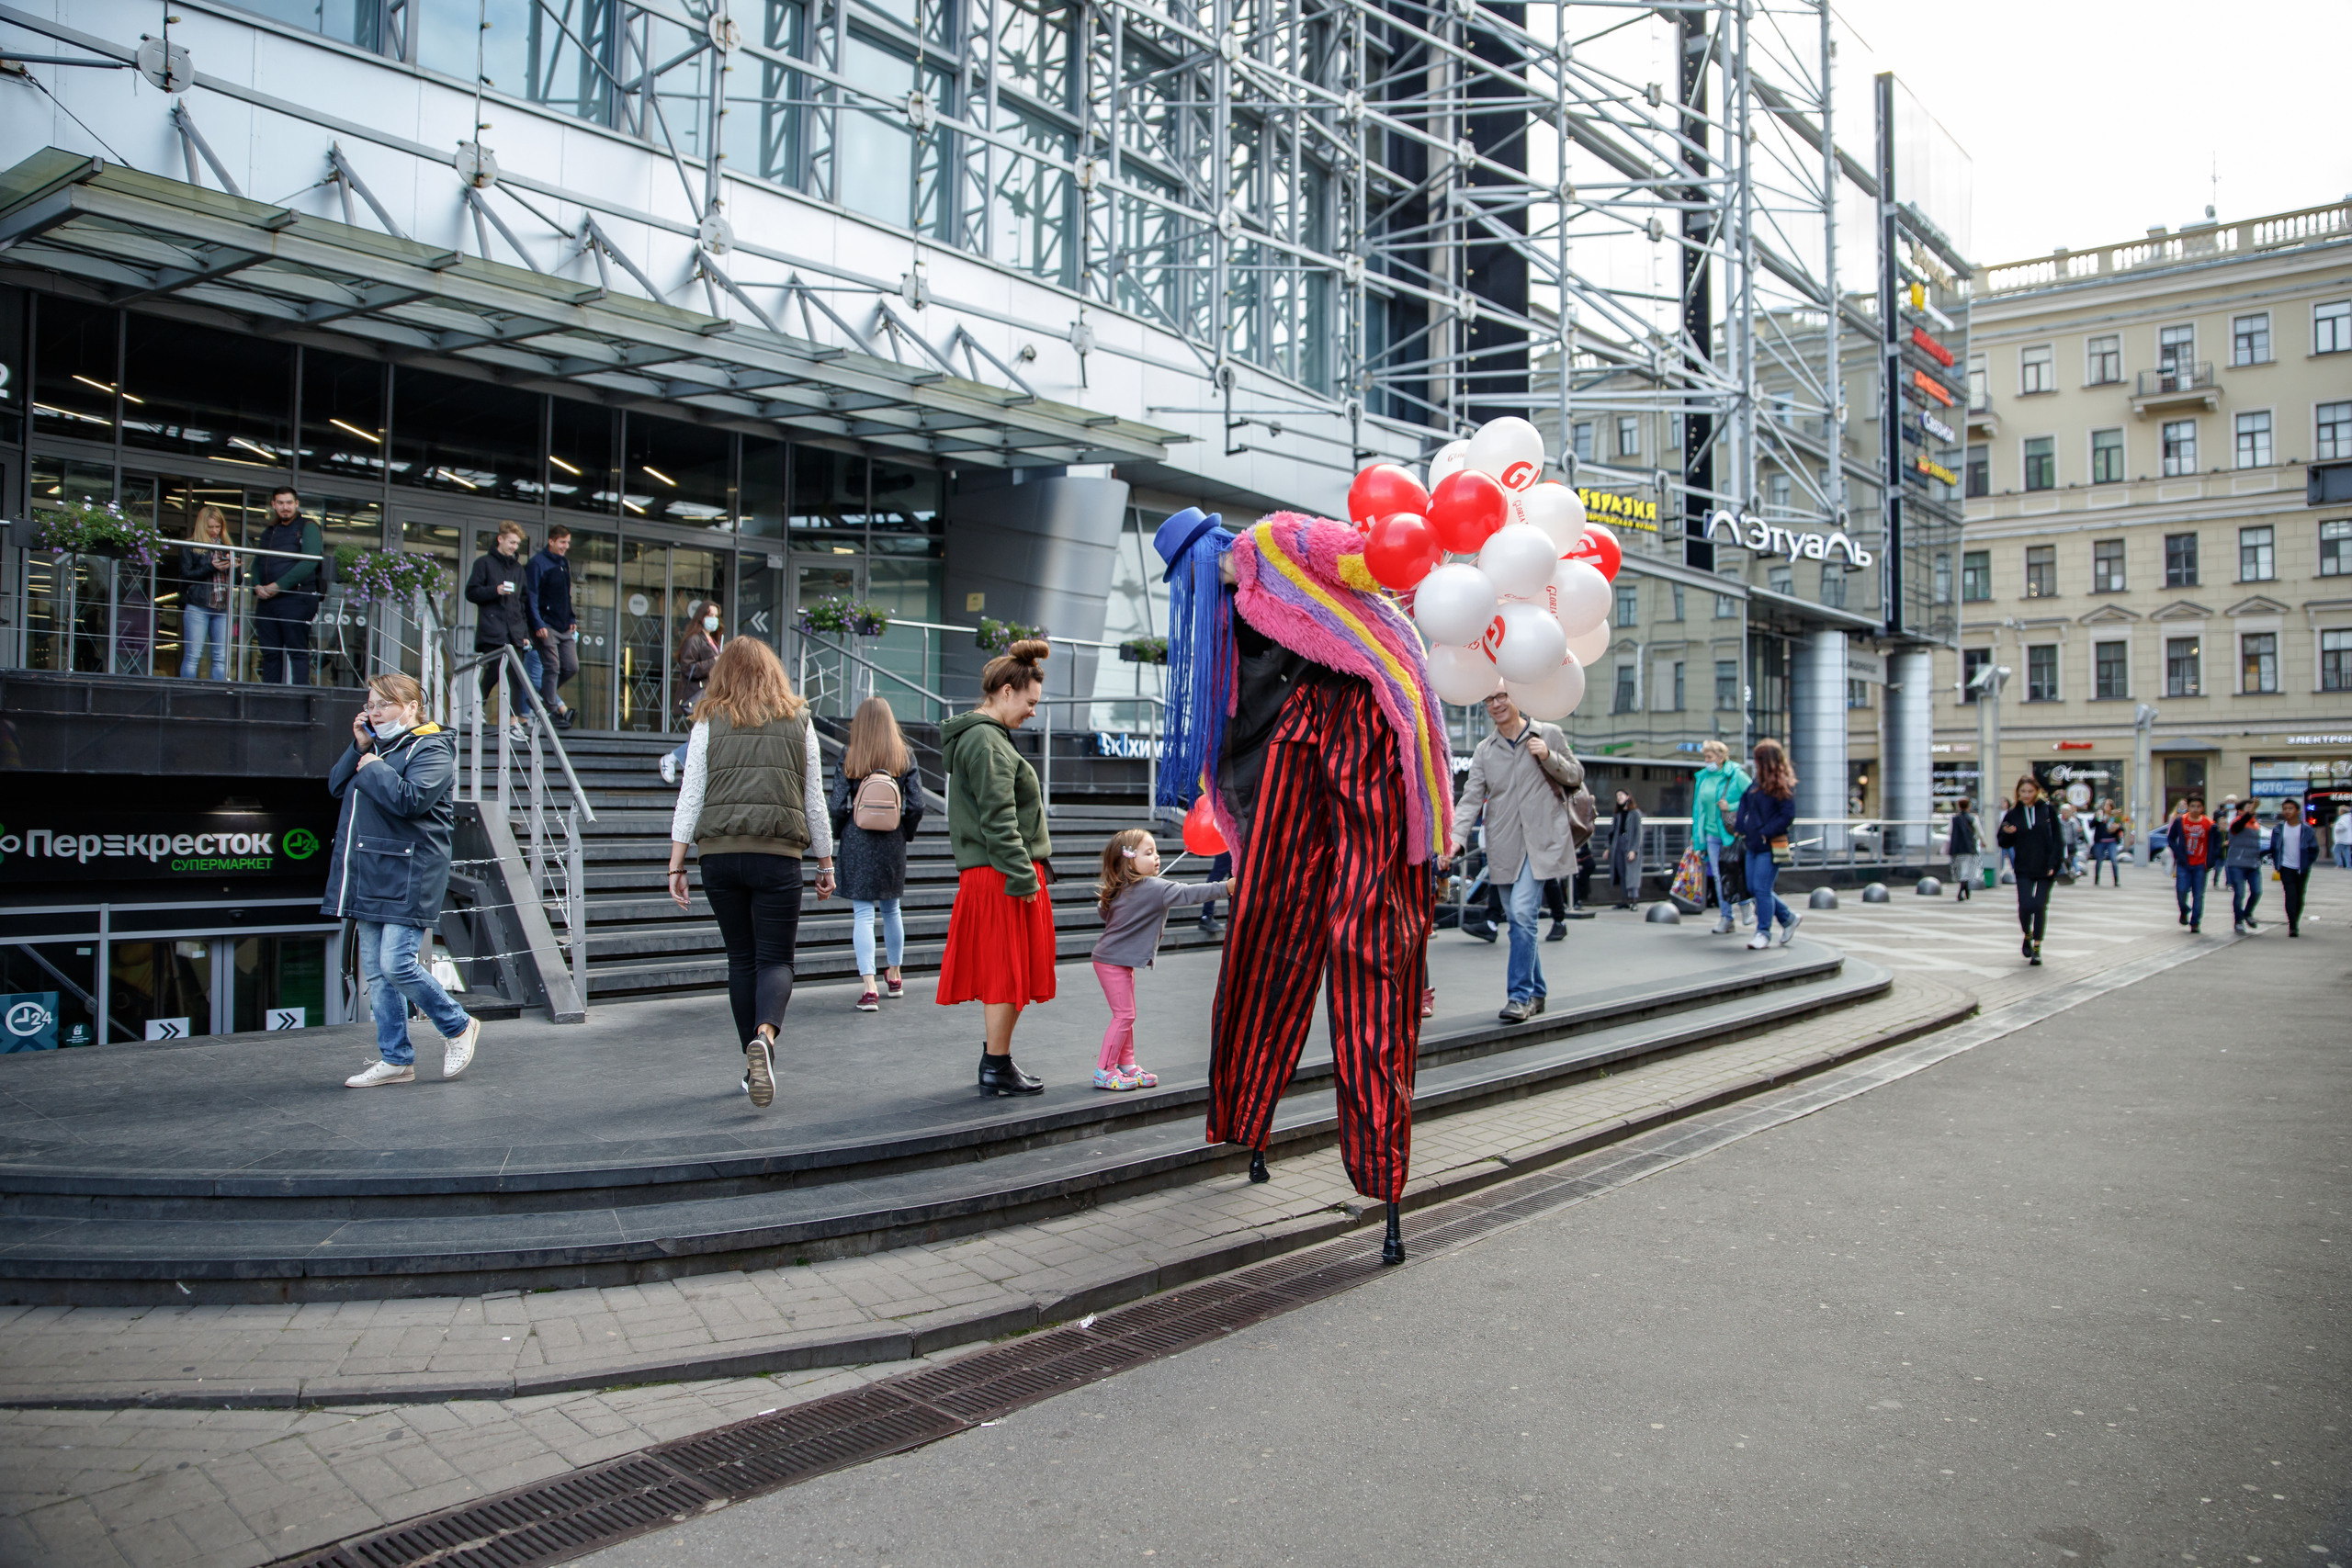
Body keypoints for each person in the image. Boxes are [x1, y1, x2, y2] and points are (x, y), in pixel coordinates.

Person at [1158, 508, 1450, 1267]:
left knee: (1370, 941)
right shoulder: (1228, 613)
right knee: (1267, 934)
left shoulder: (1273, 543)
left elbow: (1370, 557)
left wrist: (1411, 565)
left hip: (1366, 722)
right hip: (1300, 738)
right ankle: (1248, 1116)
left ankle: (1382, 1173)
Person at [666, 638, 834, 1109]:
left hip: (719, 856)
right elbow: (814, 799)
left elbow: (691, 794)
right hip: (778, 854)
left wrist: (676, 863)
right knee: (776, 959)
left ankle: (750, 1062)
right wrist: (825, 862)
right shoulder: (799, 720)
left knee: (740, 959)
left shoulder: (708, 719)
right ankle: (765, 1037)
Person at [322, 673, 481, 1087]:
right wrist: (360, 747)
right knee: (376, 972)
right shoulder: (376, 747)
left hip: (410, 871)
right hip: (373, 870)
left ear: (411, 707)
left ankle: (458, 1025)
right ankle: (396, 1060)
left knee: (396, 964)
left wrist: (374, 766)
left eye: (384, 704)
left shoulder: (432, 747)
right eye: (370, 705)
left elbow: (411, 800)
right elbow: (337, 786)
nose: (374, 712)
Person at [937, 638, 1057, 1096]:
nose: (1032, 712)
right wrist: (1025, 877)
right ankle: (996, 1064)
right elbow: (999, 820)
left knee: (1007, 973)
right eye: (1030, 702)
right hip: (1003, 874)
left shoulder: (986, 738)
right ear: (1007, 691)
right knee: (1006, 974)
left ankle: (997, 1062)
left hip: (998, 872)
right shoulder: (986, 741)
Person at [1443, 688, 1582, 1023]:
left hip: (1541, 843)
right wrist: (1455, 840)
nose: (1496, 704)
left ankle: (1519, 996)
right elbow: (1471, 799)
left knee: (1521, 914)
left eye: (1502, 696)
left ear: (1517, 696)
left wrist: (1548, 755)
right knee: (1521, 922)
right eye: (1489, 700)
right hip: (1503, 845)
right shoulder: (1485, 750)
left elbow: (1576, 775)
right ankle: (1537, 991)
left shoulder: (1548, 734)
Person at [1091, 829, 1232, 1090]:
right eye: (1148, 853)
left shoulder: (1124, 888)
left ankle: (1127, 1065)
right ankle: (1104, 1070)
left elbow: (1103, 911)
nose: (1157, 857)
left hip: (1113, 959)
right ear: (1128, 861)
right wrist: (1226, 887)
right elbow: (1191, 893)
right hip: (1112, 961)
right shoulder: (1154, 888)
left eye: (1156, 852)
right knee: (1124, 1016)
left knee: (1126, 1015)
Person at [828, 695, 924, 1012]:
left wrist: (842, 831)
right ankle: (894, 976)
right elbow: (917, 804)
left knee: (863, 914)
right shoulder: (904, 755)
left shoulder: (851, 754)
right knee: (892, 909)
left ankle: (869, 988)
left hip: (858, 840)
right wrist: (904, 832)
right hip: (892, 841)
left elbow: (836, 804)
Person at [465, 522, 537, 744]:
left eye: (517, 544)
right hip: (492, 628)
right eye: (511, 542)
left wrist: (525, 633)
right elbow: (471, 592)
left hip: (514, 631)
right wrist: (494, 590)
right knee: (494, 672)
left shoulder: (518, 570)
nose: (514, 547)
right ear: (500, 539)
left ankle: (513, 723)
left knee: (516, 677)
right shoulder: (483, 564)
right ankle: (476, 707)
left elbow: (522, 603)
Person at [1731, 739, 1800, 951]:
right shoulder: (1757, 782)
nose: (1755, 763)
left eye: (1758, 759)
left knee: (1761, 889)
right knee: (1754, 888)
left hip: (1770, 845)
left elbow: (1787, 816)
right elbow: (1744, 800)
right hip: (1753, 843)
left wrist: (1765, 832)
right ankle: (1788, 918)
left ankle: (1763, 932)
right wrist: (1740, 825)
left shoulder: (1782, 785)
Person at [251, 485, 322, 685]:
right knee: (270, 653)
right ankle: (271, 698)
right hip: (267, 601)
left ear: (296, 504)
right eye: (281, 503)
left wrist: (277, 586)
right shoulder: (269, 531)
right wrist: (257, 585)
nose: (285, 507)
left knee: (297, 652)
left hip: (296, 598)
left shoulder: (308, 527)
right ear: (274, 505)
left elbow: (310, 562)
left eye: (289, 502)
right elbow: (257, 562)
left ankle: (299, 700)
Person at [1997, 776, 2064, 964]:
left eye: (2030, 791)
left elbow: (2058, 839)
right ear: (2018, 792)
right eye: (2023, 791)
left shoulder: (2047, 810)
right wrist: (2007, 834)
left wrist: (2054, 864)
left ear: (2037, 792)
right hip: (2023, 867)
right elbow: (2002, 842)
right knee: (2026, 906)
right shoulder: (2013, 813)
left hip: (2045, 867)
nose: (2026, 795)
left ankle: (2037, 946)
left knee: (2039, 906)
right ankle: (2027, 934)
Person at [660, 604, 725, 784]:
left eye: (716, 616)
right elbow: (688, 668)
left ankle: (675, 760)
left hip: (710, 697)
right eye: (710, 615)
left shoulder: (712, 641)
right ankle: (671, 759)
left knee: (707, 737)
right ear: (701, 617)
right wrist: (714, 661)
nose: (714, 619)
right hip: (698, 696)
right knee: (704, 738)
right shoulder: (694, 640)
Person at [1691, 740, 1752, 932]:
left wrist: (1731, 806)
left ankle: (1745, 905)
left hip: (1731, 832)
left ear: (1720, 757)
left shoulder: (1736, 774)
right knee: (1718, 877)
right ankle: (1727, 918)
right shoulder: (1703, 777)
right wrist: (1697, 837)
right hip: (1711, 834)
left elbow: (1753, 797)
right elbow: (1698, 810)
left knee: (1736, 872)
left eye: (1709, 757)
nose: (1706, 761)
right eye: (1705, 757)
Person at [524, 525, 580, 729]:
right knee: (552, 666)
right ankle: (552, 708)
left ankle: (542, 696)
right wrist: (538, 623)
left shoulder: (564, 563)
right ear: (551, 541)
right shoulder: (537, 564)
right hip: (545, 624)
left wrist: (571, 617)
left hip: (564, 625)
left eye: (568, 543)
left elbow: (566, 594)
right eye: (563, 542)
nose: (566, 546)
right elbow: (531, 596)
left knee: (571, 666)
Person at [176, 503, 235, 682]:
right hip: (198, 606)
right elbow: (186, 575)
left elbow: (238, 581)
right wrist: (212, 567)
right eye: (210, 527)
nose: (215, 531)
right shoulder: (191, 545)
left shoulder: (228, 547)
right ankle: (186, 693)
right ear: (202, 526)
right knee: (193, 656)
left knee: (220, 658)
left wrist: (233, 567)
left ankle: (218, 694)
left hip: (222, 607)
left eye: (218, 527)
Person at [2163, 797, 2213, 931]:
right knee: (2181, 890)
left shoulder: (2208, 823)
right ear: (2188, 808)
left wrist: (2210, 861)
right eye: (2193, 806)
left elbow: (2215, 842)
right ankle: (2184, 910)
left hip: (2200, 864)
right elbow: (2171, 838)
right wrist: (2178, 853)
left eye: (2198, 806)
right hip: (2184, 863)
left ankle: (2195, 922)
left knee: (2198, 894)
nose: (2195, 809)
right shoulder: (2181, 820)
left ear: (2202, 808)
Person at [2270, 800, 2317, 938]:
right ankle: (2292, 926)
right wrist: (2277, 864)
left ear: (2297, 811)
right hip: (2285, 867)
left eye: (2290, 808)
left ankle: (2295, 920)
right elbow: (2274, 848)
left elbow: (2314, 849)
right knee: (2290, 895)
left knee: (2299, 895)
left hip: (2301, 868)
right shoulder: (2279, 829)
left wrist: (2307, 863)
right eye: (2285, 809)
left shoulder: (2306, 829)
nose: (2287, 811)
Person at [2222, 802, 2267, 934]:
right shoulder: (2236, 822)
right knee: (2239, 893)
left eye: (2252, 808)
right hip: (2237, 863)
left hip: (2253, 864)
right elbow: (2239, 825)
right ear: (2240, 811)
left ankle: (2247, 913)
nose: (2252, 810)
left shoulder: (2255, 824)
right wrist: (2250, 812)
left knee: (2257, 891)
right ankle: (2238, 921)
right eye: (2249, 808)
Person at [1606, 789, 1644, 910]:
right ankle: (1624, 900)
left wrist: (1634, 850)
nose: (1619, 797)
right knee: (1621, 872)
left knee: (1632, 873)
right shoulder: (1618, 814)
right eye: (1617, 796)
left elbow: (1638, 833)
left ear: (1628, 797)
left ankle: (1634, 900)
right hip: (1618, 845)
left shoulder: (1635, 813)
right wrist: (1608, 848)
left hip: (1630, 845)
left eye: (1621, 795)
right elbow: (1612, 832)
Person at [1948, 796, 1981, 900]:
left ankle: (1966, 890)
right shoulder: (1973, 818)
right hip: (1969, 847)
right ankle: (1962, 891)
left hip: (1956, 848)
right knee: (1967, 870)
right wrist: (1983, 842)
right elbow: (1979, 832)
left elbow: (1949, 833)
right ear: (1969, 806)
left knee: (1961, 870)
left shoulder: (1954, 819)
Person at [2087, 800, 2122, 886]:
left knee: (2114, 860)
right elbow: (2091, 826)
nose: (2107, 807)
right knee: (2099, 860)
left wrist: (2118, 827)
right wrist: (2096, 818)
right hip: (2100, 841)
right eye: (2106, 805)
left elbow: (2121, 827)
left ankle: (2116, 880)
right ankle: (2096, 878)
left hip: (2112, 841)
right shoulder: (2100, 815)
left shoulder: (2114, 816)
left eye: (2109, 806)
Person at [2333, 806, 2352, 870]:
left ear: (2342, 811)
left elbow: (2344, 826)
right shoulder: (2349, 817)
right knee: (2346, 852)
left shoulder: (2344, 818)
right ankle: (2349, 866)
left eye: (2339, 811)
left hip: (2342, 839)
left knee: (2335, 851)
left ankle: (2340, 865)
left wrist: (2336, 828)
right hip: (2347, 839)